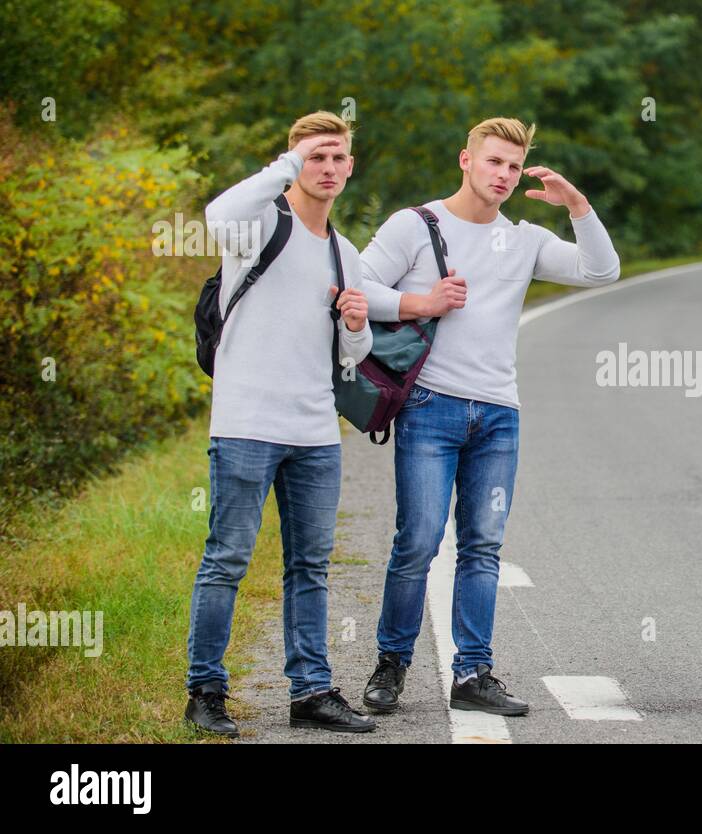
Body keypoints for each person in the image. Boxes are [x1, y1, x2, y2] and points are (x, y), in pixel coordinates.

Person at [358, 117, 619, 716]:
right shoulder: (415, 225)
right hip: (430, 409)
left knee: (483, 546)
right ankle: (391, 665)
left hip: (499, 415)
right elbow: (353, 287)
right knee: (418, 541)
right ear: (465, 161)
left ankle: (473, 673)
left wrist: (576, 205)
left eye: (513, 165)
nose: (502, 174)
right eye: (492, 161)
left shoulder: (524, 239)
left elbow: (603, 272)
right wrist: (420, 302)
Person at [184, 111, 376, 737]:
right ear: (294, 161)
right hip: (245, 424)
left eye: (338, 158)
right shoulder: (261, 224)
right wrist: (286, 164)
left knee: (310, 567)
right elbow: (218, 213)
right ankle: (205, 692)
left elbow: (353, 354)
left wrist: (354, 324)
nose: (328, 168)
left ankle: (311, 691)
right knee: (227, 560)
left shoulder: (343, 252)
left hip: (316, 432)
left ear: (351, 166)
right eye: (316, 156)